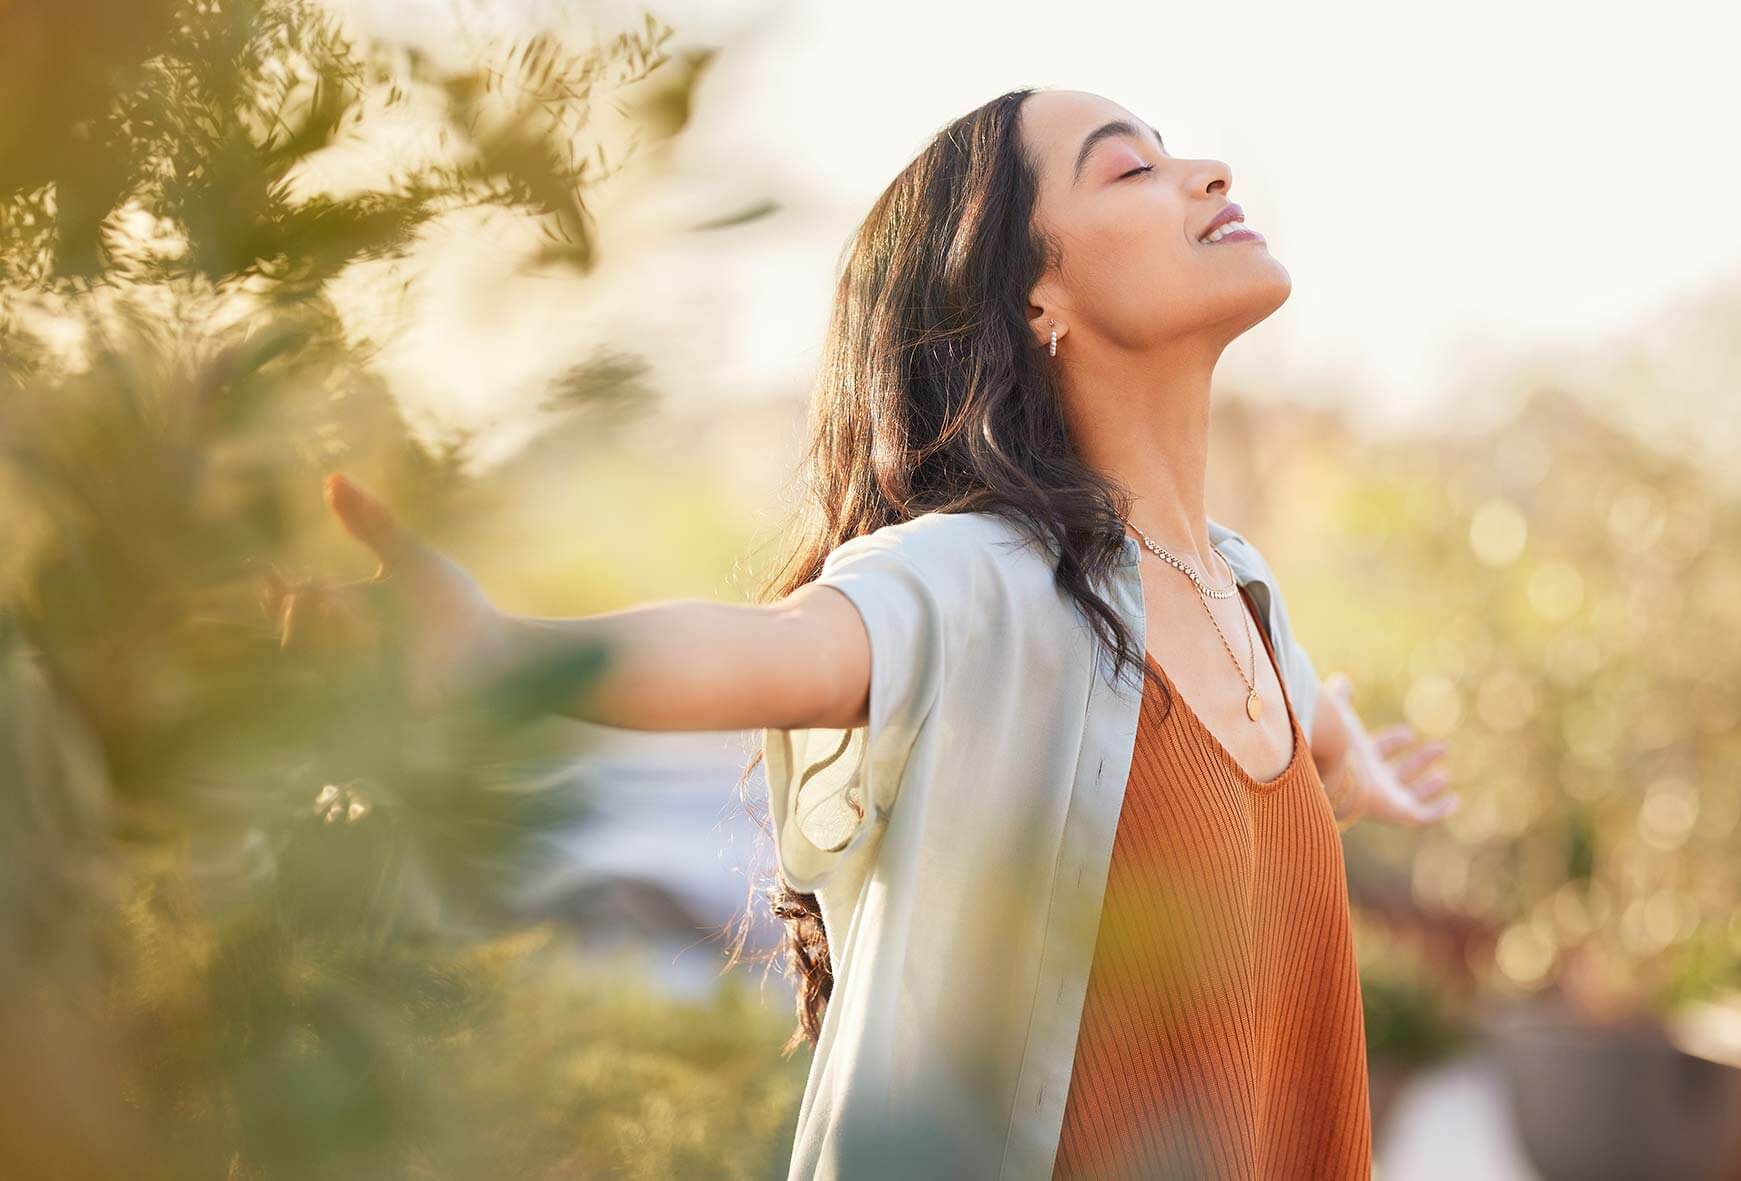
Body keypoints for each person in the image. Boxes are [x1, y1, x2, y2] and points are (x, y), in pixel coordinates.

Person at [299, 87, 1458, 1181]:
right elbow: (774, 649)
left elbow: (1284, 713)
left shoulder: (1240, 589)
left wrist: (1340, 755)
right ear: (1035, 300)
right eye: (1134, 167)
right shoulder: (982, 578)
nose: (1208, 174)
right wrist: (501, 654)